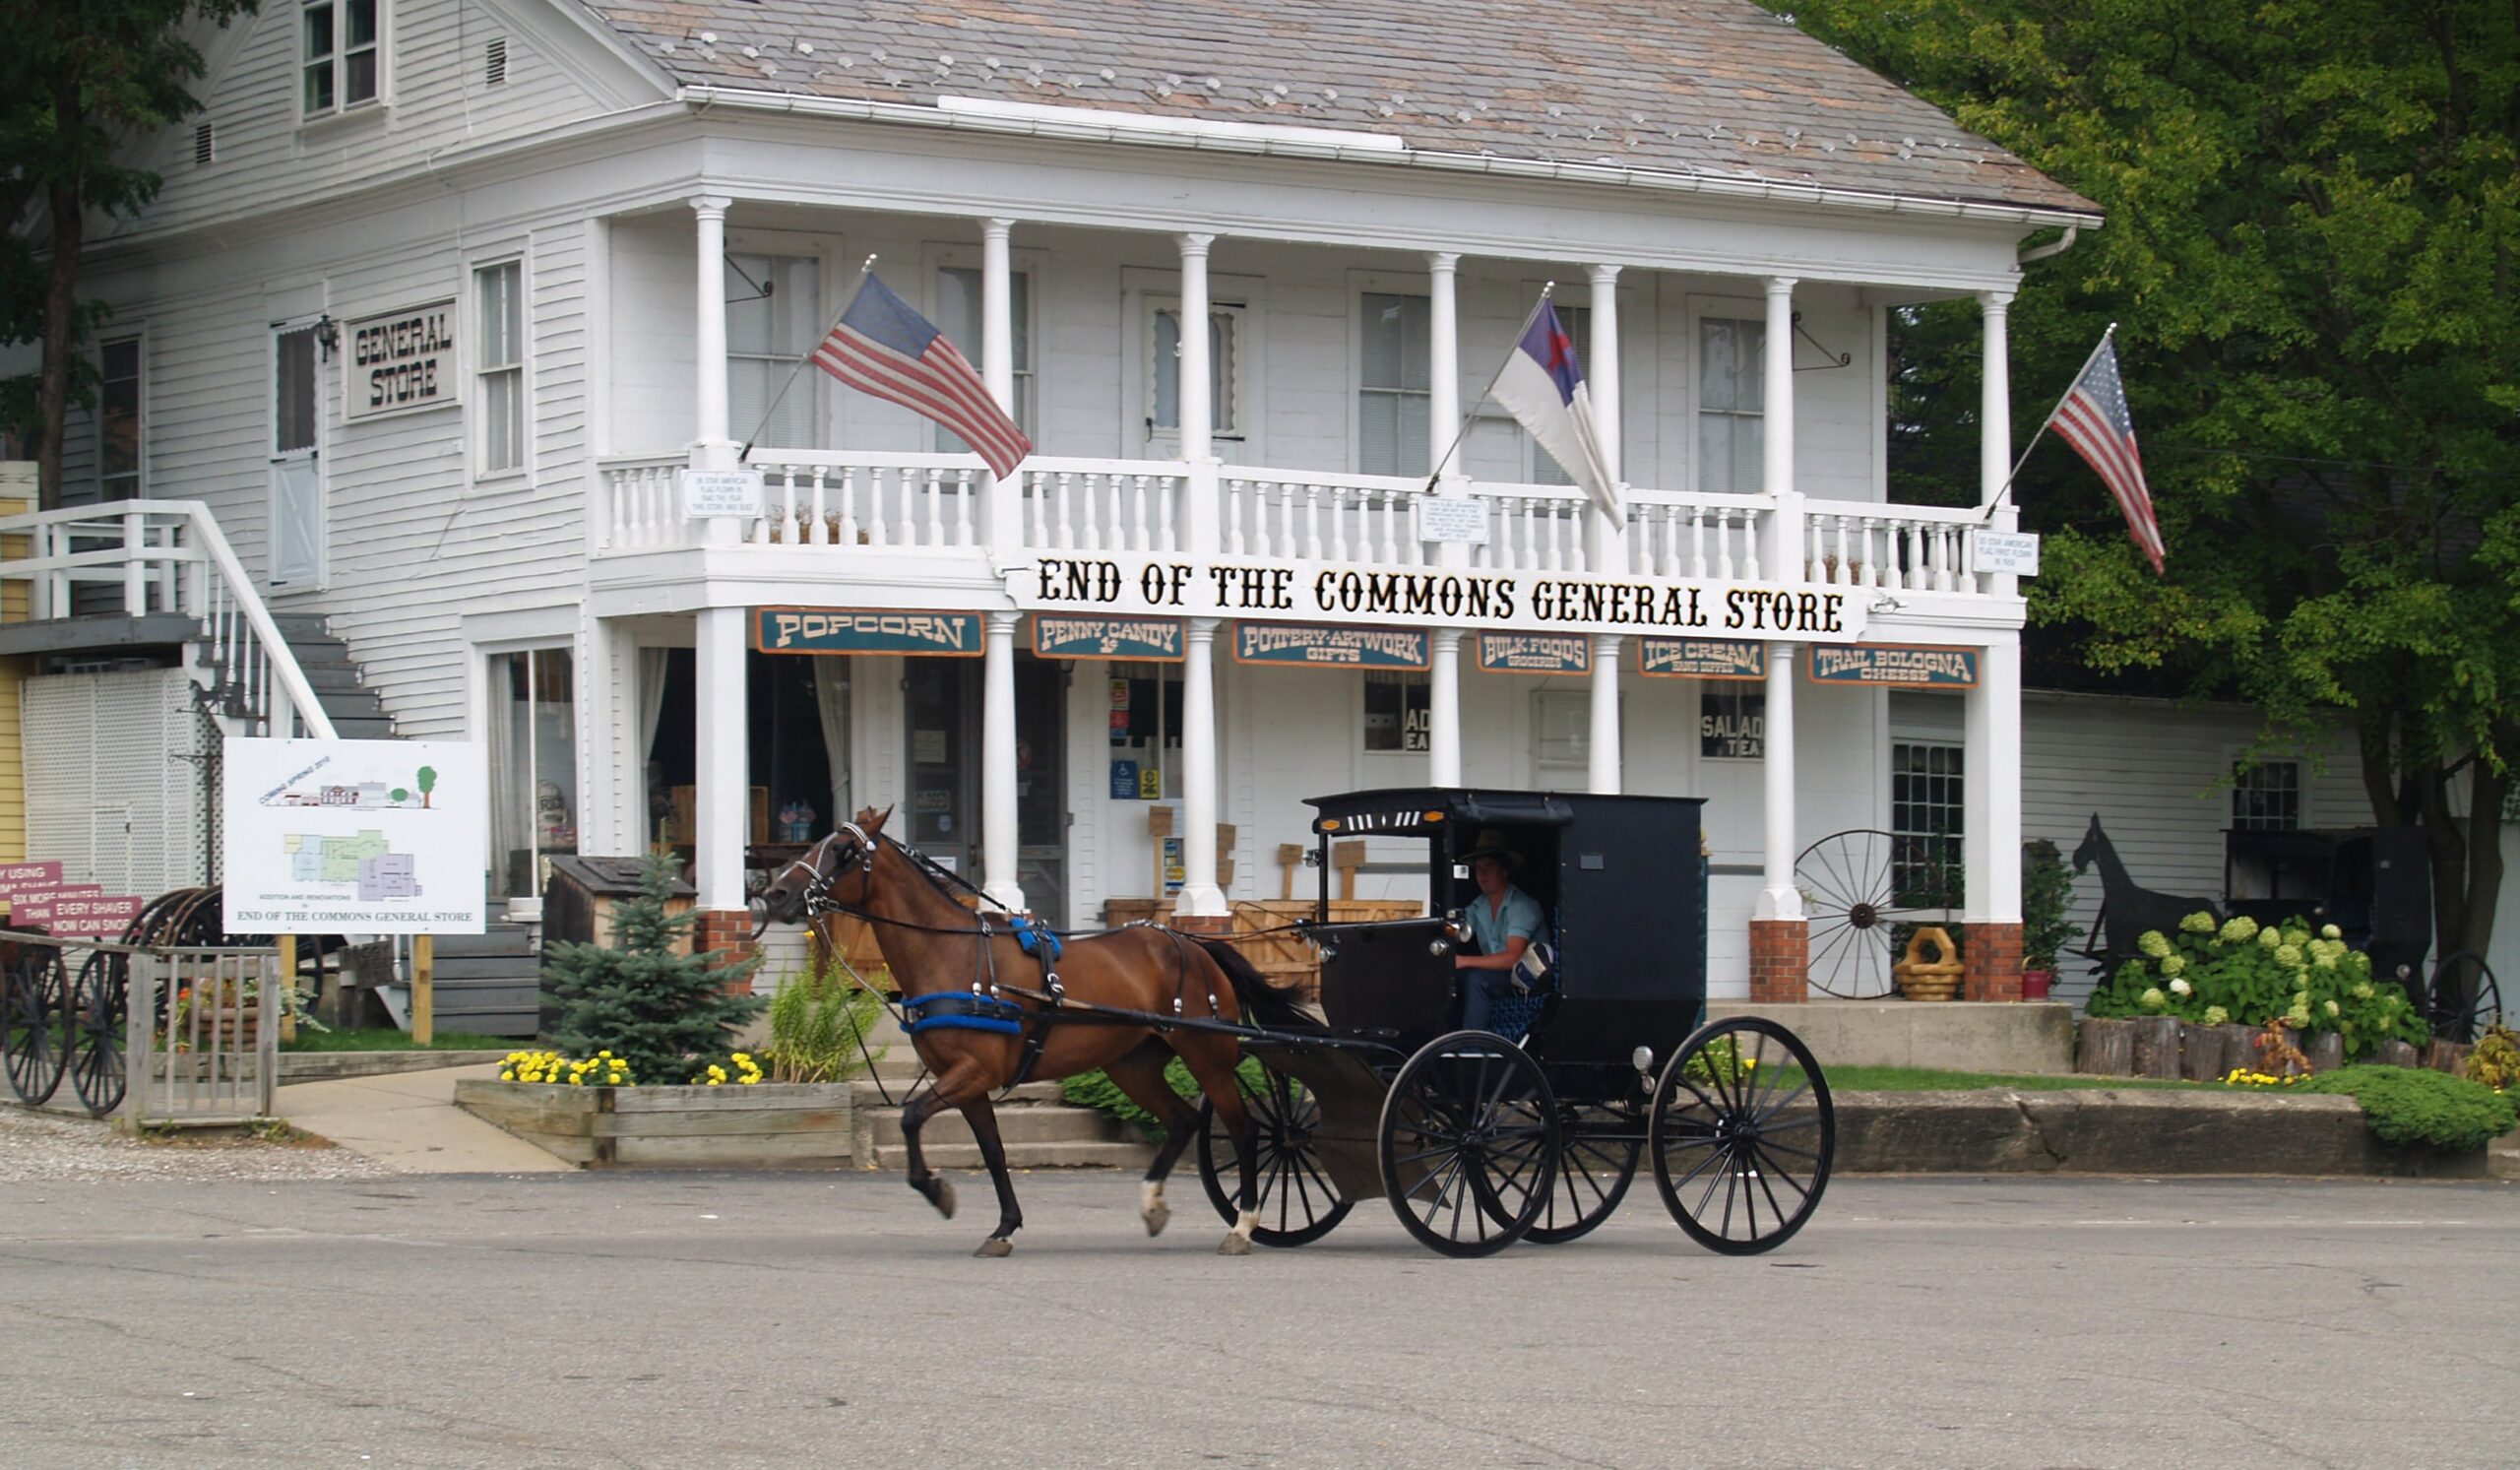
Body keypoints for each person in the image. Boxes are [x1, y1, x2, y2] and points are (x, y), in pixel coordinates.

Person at [1452, 829, 1544, 1033]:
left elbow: (1512, 958)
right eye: (1478, 868)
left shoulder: (1522, 905)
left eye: (1488, 866)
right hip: (1498, 978)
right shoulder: (1478, 906)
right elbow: (1457, 930)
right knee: (1450, 977)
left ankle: (1471, 1047)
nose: (1482, 874)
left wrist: (1463, 961)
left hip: (1526, 980)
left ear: (1504, 870)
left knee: (1477, 979)